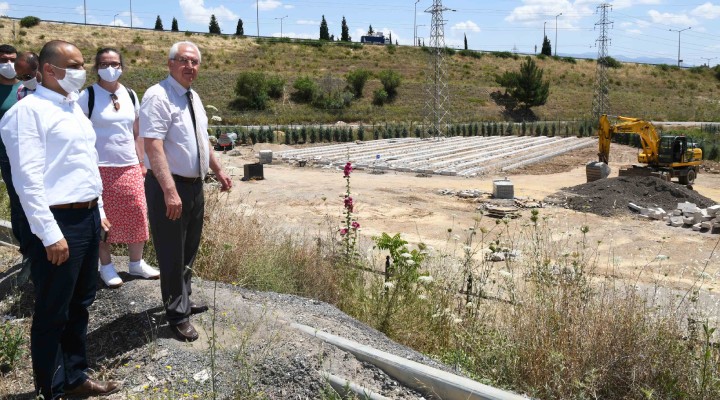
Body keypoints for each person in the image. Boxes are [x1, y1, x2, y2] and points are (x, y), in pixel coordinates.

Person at [0, 40, 120, 398]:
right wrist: (49, 233)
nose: (83, 71)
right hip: (55, 223)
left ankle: (75, 376)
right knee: (53, 309)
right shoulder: (26, 114)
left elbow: (82, 167)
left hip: (84, 219)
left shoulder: (72, 110)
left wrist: (98, 212)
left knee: (80, 302)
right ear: (49, 70)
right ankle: (49, 388)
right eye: (76, 65)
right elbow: (27, 181)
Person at [139, 41, 232, 342]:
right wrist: (169, 190)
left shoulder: (193, 97)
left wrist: (217, 171)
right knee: (171, 252)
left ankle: (184, 299)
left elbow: (201, 139)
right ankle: (176, 315)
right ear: (170, 63)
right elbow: (152, 145)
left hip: (194, 187)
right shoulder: (158, 96)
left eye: (194, 62)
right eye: (183, 61)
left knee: (189, 248)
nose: (190, 67)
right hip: (171, 186)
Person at [79, 48, 160, 288]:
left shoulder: (131, 95)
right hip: (99, 166)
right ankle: (107, 266)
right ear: (96, 67)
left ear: (122, 67)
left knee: (137, 212)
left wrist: (141, 161)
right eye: (104, 64)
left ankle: (136, 263)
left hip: (129, 165)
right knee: (104, 220)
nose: (110, 68)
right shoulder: (88, 96)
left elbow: (137, 132)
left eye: (115, 63)